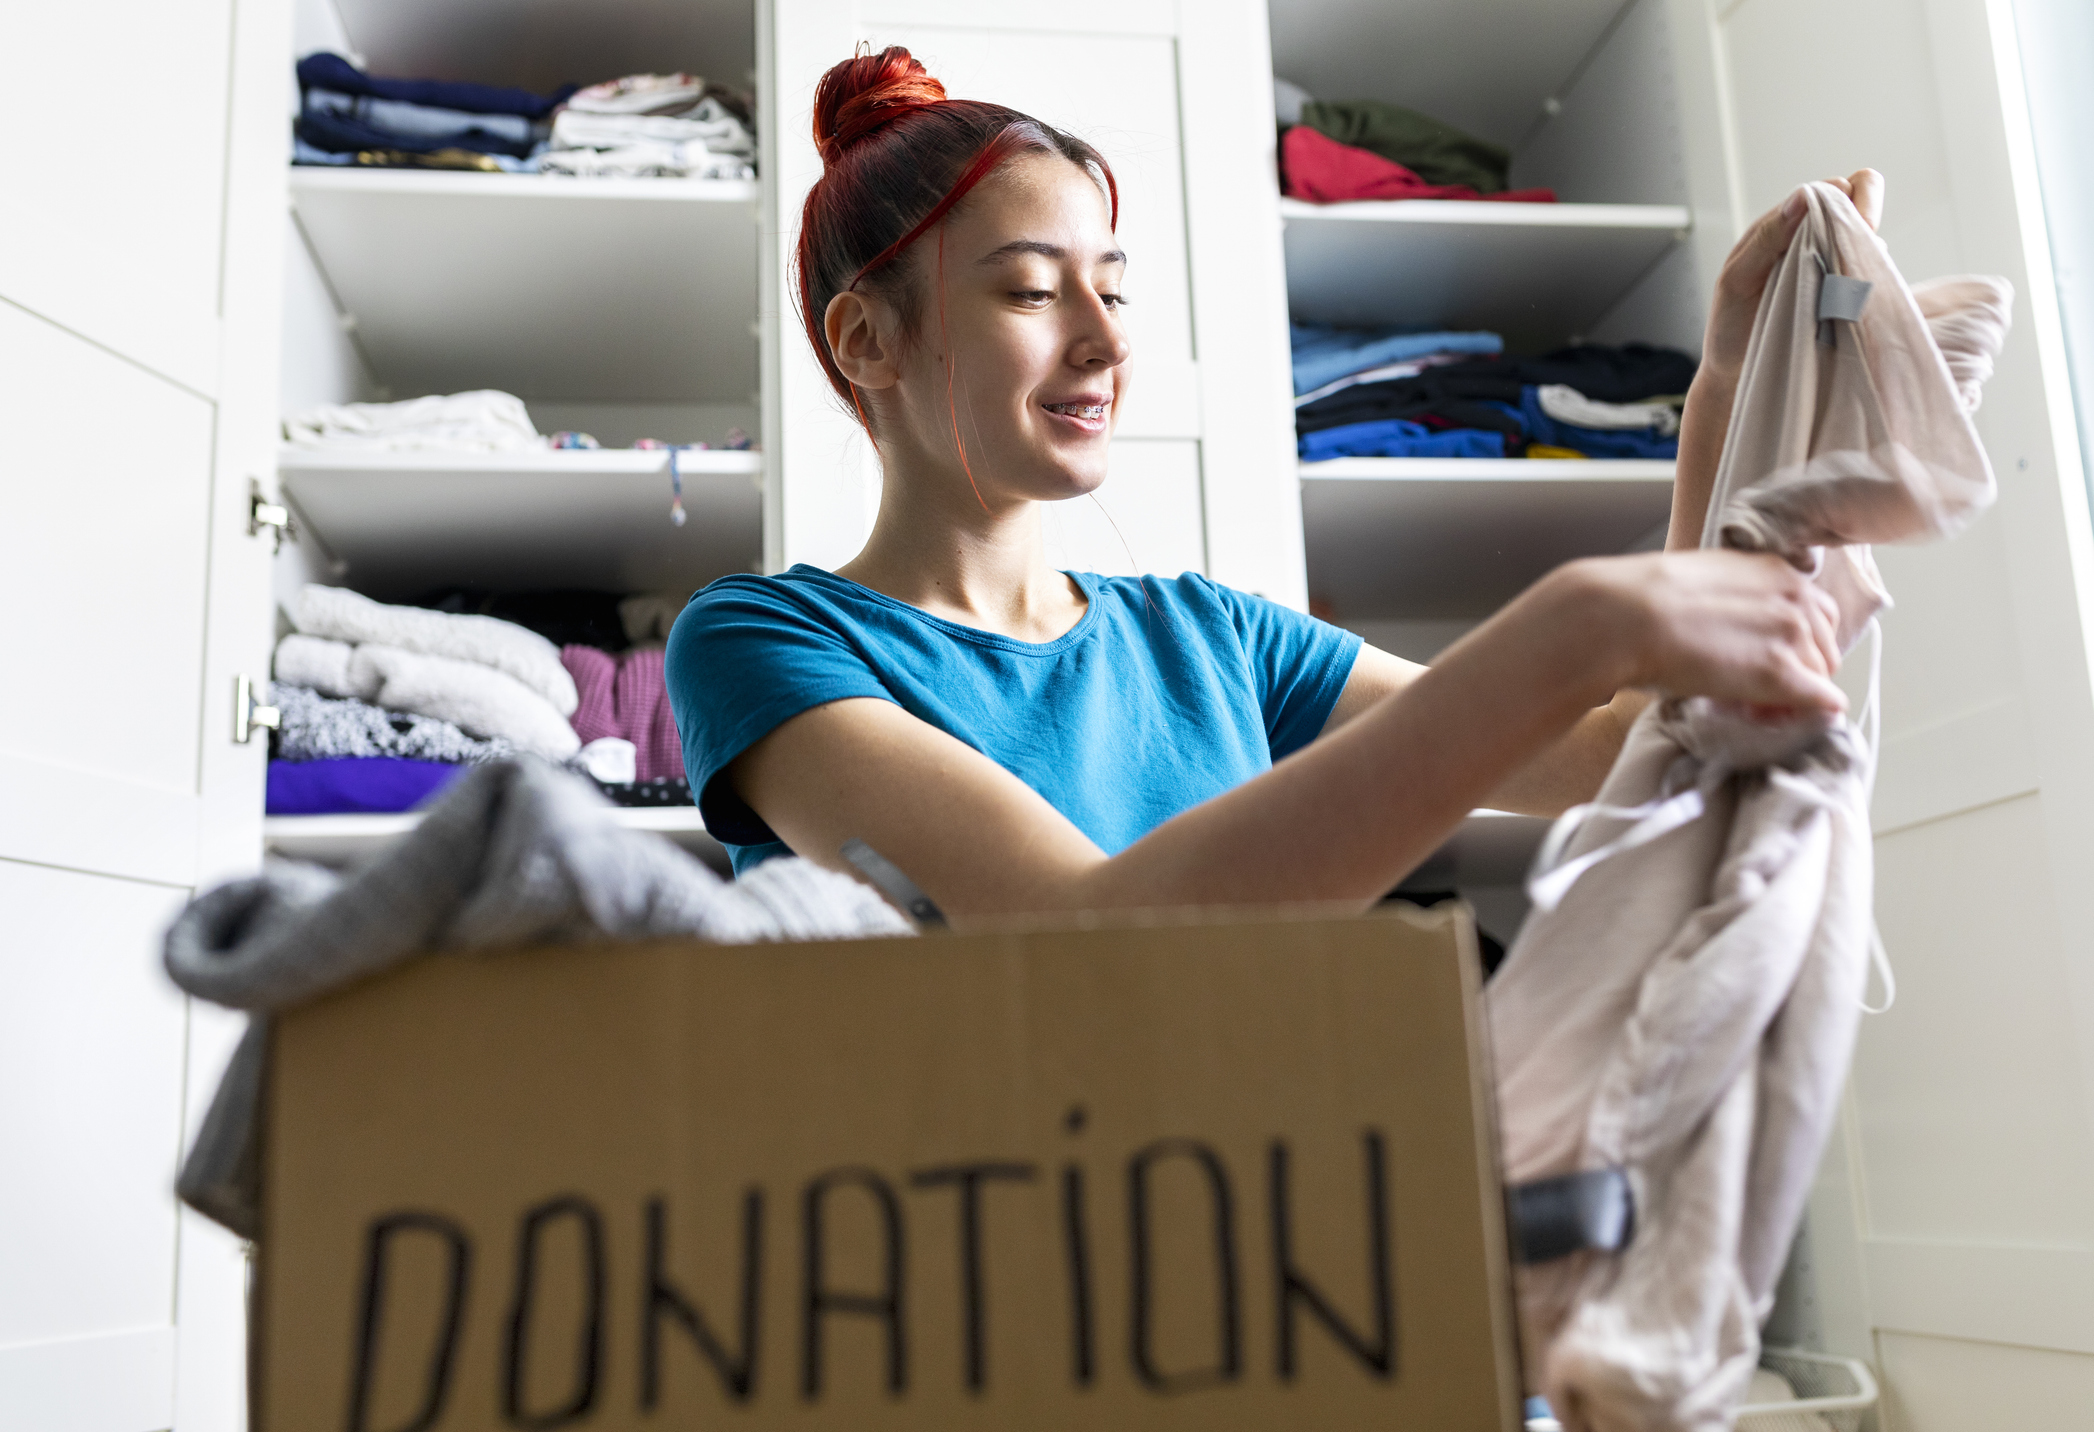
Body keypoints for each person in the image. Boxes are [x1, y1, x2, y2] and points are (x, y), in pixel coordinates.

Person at [668, 45, 1879, 921]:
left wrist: (1727, 386)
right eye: (1035, 290)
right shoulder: (760, 640)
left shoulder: (1214, 641)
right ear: (866, 341)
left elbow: (1622, 750)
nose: (1105, 337)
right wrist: (1575, 625)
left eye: (1115, 287)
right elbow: (1084, 928)